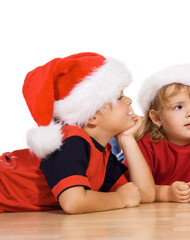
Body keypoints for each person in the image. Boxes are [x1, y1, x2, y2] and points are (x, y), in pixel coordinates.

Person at [0, 52, 155, 214]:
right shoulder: (71, 140)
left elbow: (143, 194)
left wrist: (127, 139)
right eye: (119, 97)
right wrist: (121, 199)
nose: (129, 101)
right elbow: (73, 202)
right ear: (91, 115)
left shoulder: (102, 153)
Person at [136, 64, 190, 203]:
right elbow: (137, 187)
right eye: (178, 107)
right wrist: (167, 194)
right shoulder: (147, 143)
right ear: (157, 118)